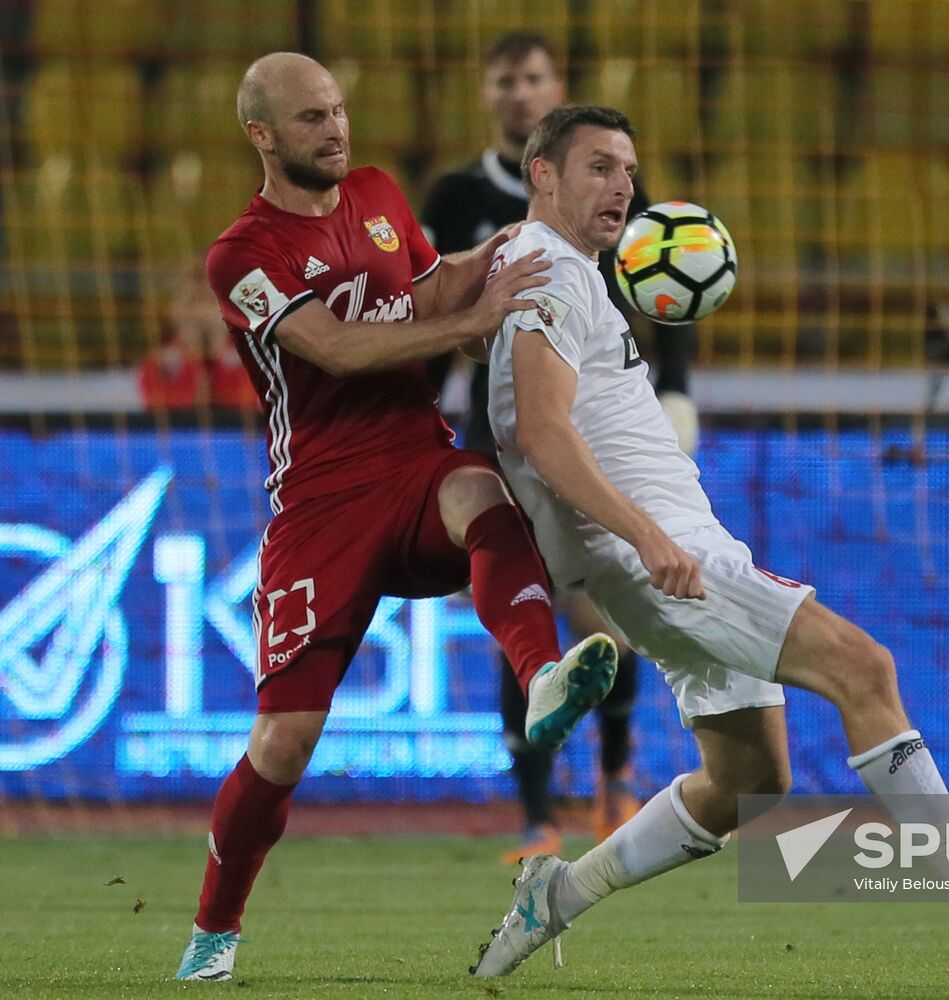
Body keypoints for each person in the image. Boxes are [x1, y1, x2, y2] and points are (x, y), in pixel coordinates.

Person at [470, 106, 949, 977]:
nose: (623, 189)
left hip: (659, 549)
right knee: (864, 667)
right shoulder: (548, 275)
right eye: (600, 167)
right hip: (662, 553)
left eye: (629, 170)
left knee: (749, 781)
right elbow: (540, 431)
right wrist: (646, 536)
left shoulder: (555, 268)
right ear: (542, 174)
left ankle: (556, 895)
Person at [174, 54, 621, 983]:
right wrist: (473, 322)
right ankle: (216, 927)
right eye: (309, 120)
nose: (334, 131)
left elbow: (423, 290)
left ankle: (543, 675)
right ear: (261, 135)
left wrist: (505, 249)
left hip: (415, 457)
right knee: (283, 743)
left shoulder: (375, 192)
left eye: (337, 111)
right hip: (321, 502)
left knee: (484, 496)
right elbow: (334, 348)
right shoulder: (239, 254)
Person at [420, 32, 697, 860]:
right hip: (501, 421)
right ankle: (538, 816)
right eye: (504, 78)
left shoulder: (609, 194)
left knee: (611, 606)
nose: (519, 91)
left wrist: (677, 394)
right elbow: (435, 310)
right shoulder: (459, 194)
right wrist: (420, 413)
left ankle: (615, 778)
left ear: (554, 87)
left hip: (602, 424)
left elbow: (667, 297)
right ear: (488, 93)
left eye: (533, 77)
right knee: (526, 609)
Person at [138, 264, 260, 412]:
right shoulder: (159, 362)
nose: (200, 312)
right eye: (192, 302)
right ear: (174, 310)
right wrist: (191, 357)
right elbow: (154, 407)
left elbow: (249, 406)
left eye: (208, 301)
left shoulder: (251, 356)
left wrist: (219, 352)